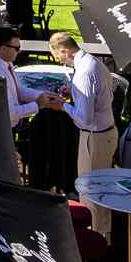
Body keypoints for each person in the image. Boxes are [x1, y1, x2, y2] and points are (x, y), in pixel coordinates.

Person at [49, 32, 118, 237]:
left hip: (94, 138)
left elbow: (84, 119)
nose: (59, 61)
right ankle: (102, 236)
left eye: (57, 56)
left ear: (64, 50)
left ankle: (95, 240)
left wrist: (63, 106)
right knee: (99, 189)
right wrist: (74, 94)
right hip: (104, 134)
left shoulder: (83, 73)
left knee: (91, 192)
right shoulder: (94, 62)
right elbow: (104, 95)